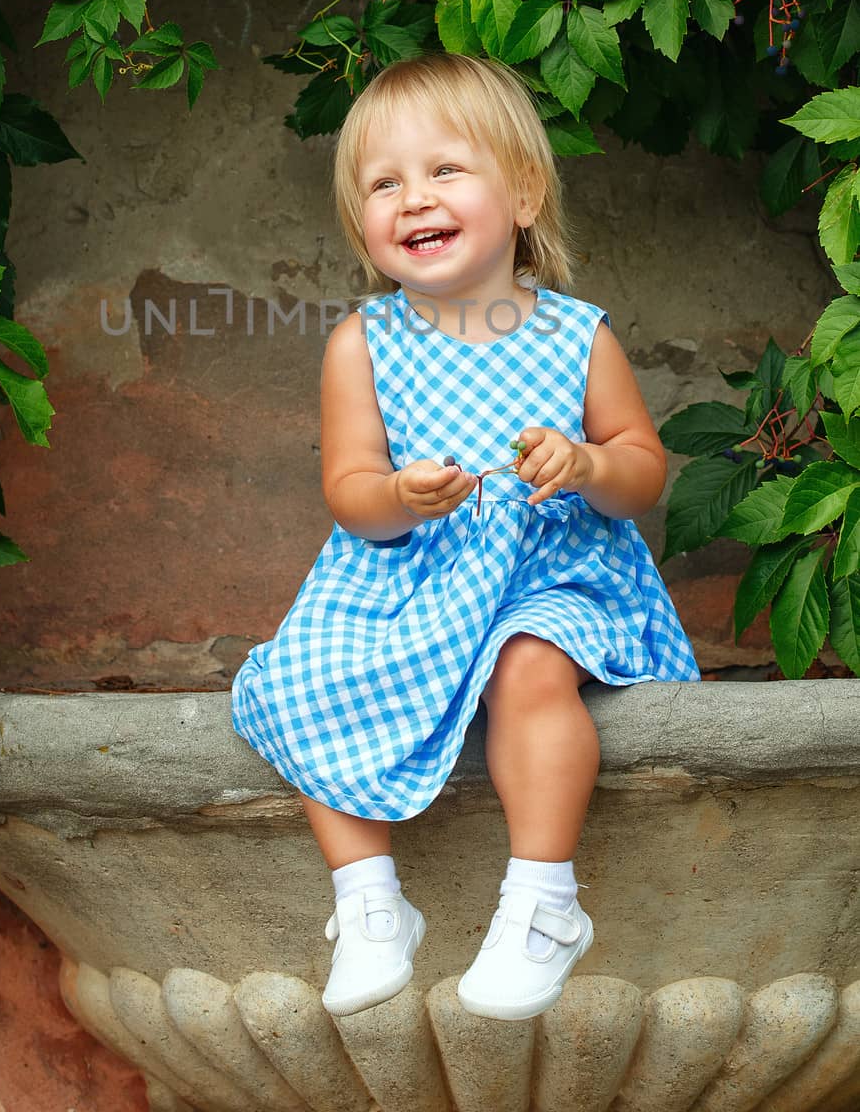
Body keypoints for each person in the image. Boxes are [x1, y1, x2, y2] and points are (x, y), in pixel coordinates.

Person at [230, 52, 701, 1023]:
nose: (414, 198)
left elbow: (642, 468)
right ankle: (368, 904)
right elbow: (349, 490)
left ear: (522, 191)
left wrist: (583, 464)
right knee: (299, 671)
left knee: (526, 667)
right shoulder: (362, 342)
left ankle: (540, 904)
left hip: (551, 572)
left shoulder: (575, 335)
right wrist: (399, 493)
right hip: (412, 577)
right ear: (361, 219)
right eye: (383, 182)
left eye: (445, 170)